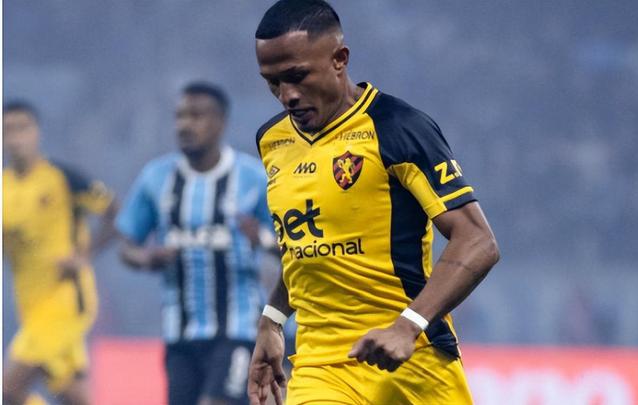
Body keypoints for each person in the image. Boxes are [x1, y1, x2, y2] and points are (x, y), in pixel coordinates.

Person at [247, 1, 500, 404]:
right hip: (320, 367)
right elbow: (303, 247)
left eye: (297, 76)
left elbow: (477, 240)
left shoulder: (397, 128)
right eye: (273, 82)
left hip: (412, 362)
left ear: (339, 59)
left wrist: (407, 326)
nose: (287, 95)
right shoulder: (272, 141)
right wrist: (272, 319)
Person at [115, 82, 275, 405]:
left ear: (220, 122)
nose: (184, 125)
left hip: (238, 330)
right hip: (180, 335)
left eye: (196, 116)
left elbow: (292, 245)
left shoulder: (252, 177)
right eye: (180, 116)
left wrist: (261, 239)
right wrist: (146, 258)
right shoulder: (156, 177)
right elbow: (126, 246)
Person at [3, 101, 118, 405]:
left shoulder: (62, 177)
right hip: (31, 306)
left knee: (9, 389)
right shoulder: (4, 188)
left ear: (37, 132)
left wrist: (85, 255)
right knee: (74, 395)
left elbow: (115, 211)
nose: (15, 138)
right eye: (8, 130)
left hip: (66, 300)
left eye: (22, 128)